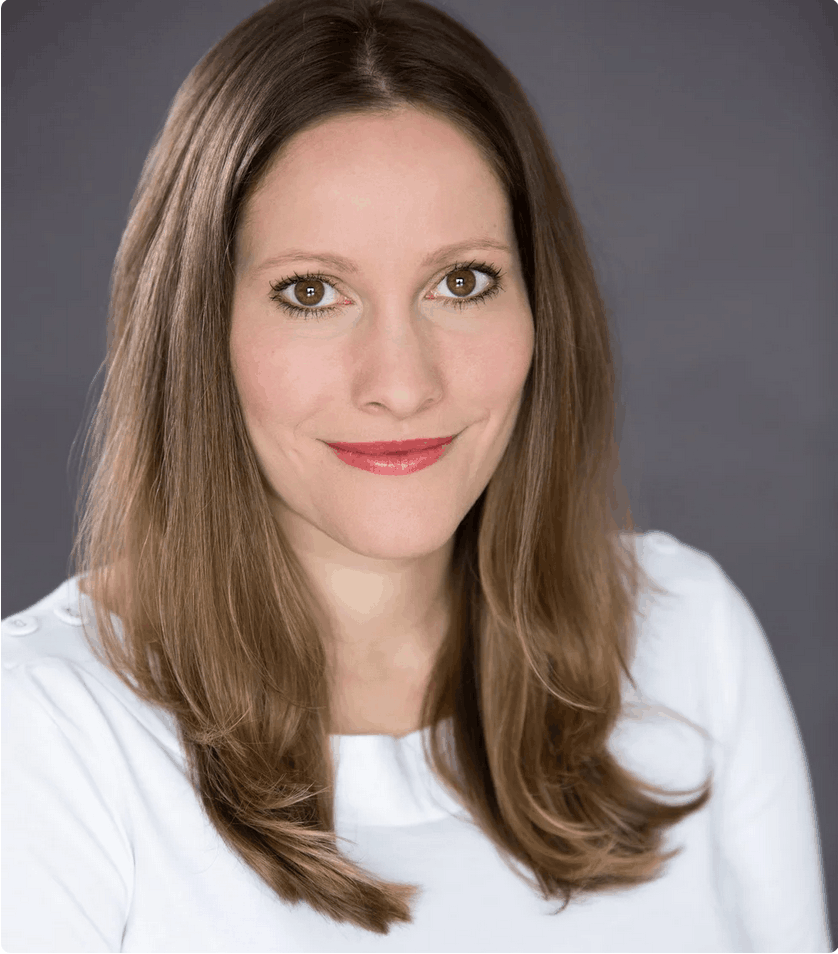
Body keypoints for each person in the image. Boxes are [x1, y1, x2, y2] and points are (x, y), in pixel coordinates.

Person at [1, 0, 831, 951]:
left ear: (540, 307)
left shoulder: (690, 640)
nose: (401, 383)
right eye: (311, 292)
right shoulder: (40, 738)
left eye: (463, 282)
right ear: (197, 331)